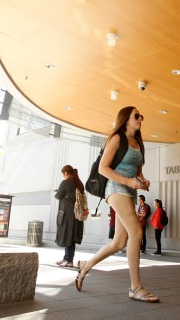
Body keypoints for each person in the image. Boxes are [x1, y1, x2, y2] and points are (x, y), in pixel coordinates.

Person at [75, 106, 159, 303]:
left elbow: (137, 172)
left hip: (130, 190)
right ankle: (135, 287)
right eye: (136, 116)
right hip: (115, 187)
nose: (140, 119)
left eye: (141, 116)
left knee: (119, 242)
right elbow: (104, 168)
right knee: (137, 232)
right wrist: (128, 181)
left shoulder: (138, 143)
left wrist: (142, 181)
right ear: (126, 119)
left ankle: (85, 267)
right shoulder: (117, 138)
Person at [54, 165, 85, 268]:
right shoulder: (79, 182)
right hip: (77, 214)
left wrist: (57, 193)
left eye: (63, 174)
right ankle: (66, 258)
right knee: (71, 237)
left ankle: (69, 260)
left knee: (69, 236)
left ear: (66, 173)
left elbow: (58, 195)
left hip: (68, 214)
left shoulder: (66, 182)